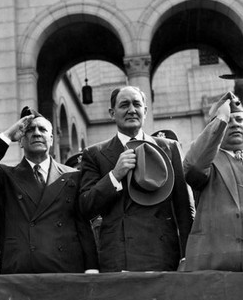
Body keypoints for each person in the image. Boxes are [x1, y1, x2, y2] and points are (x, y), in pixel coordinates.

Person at [79, 86, 194, 272]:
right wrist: (114, 176)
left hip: (162, 255)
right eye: (124, 105)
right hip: (119, 258)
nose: (132, 110)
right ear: (112, 113)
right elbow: (86, 206)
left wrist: (187, 256)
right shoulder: (95, 154)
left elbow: (185, 208)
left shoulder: (169, 148)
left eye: (137, 105)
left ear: (145, 111)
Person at [0, 107, 98, 274]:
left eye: (42, 129)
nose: (37, 133)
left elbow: (83, 226)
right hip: (21, 271)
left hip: (65, 270)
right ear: (21, 140)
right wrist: (9, 135)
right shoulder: (7, 176)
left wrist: (91, 267)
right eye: (30, 130)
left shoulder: (73, 176)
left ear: (51, 139)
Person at [183, 91, 243, 271]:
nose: (234, 125)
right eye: (229, 121)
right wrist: (220, 121)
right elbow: (193, 169)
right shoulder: (208, 161)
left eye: (240, 120)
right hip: (217, 265)